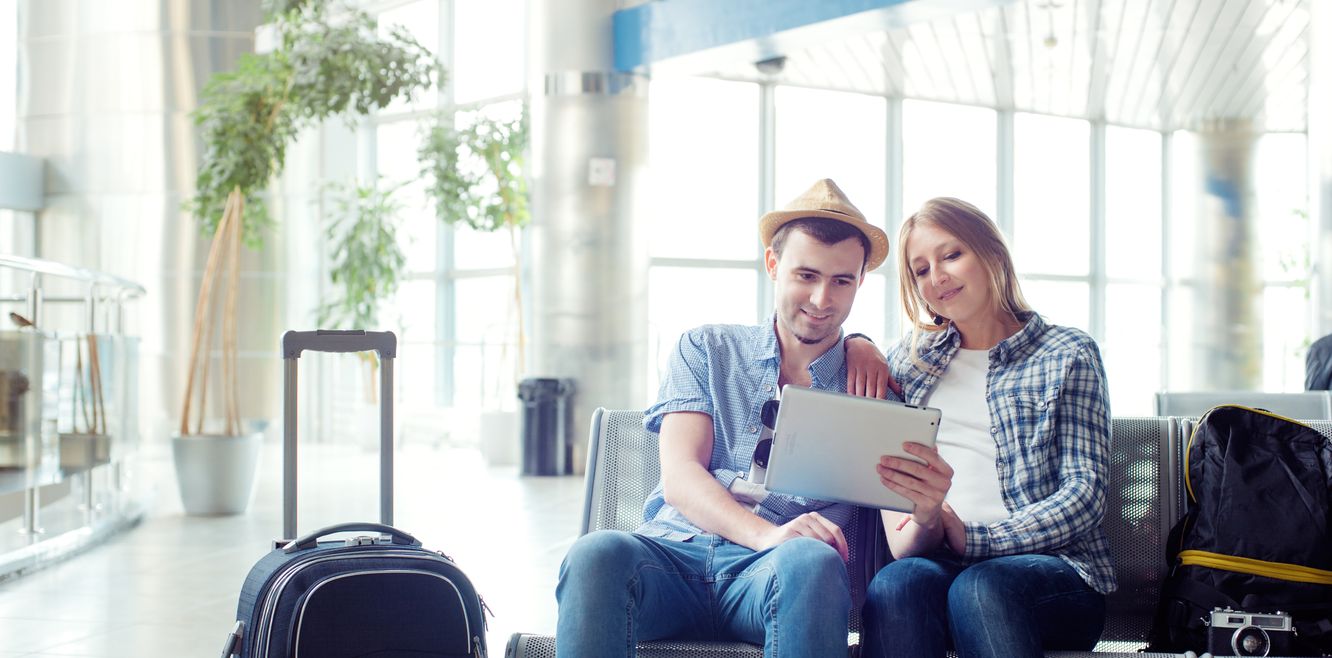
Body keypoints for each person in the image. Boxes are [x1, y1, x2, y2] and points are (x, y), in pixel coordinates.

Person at [554, 178, 896, 657]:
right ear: (773, 265)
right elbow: (680, 476)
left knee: (810, 561)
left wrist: (862, 344)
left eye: (841, 280)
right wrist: (767, 535)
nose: (822, 299)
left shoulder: (873, 385)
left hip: (779, 578)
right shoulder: (707, 349)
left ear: (860, 281)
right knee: (596, 554)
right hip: (674, 558)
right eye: (806, 275)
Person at [850, 197, 1115, 658]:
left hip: (1054, 573)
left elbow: (1084, 494)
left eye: (951, 255)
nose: (938, 277)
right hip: (942, 563)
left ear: (992, 253)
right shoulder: (910, 364)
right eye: (921, 270)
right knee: (897, 585)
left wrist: (979, 540)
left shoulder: (1068, 352)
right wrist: (859, 342)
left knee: (982, 586)